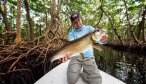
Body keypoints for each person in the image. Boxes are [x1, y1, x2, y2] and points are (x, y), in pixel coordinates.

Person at [60, 13, 108, 84]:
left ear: (81, 19)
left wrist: (103, 40)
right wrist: (66, 55)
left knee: (97, 82)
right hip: (76, 58)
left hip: (88, 57)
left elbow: (99, 42)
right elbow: (71, 46)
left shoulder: (90, 28)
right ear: (72, 24)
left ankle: (86, 73)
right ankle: (77, 69)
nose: (78, 23)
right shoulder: (71, 34)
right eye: (75, 22)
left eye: (79, 20)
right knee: (71, 80)